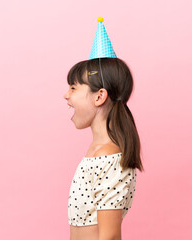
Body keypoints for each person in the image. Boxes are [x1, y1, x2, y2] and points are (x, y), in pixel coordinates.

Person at [63, 17, 144, 240]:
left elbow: (108, 236)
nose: (66, 95)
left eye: (73, 87)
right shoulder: (97, 152)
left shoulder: (108, 156)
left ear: (99, 96)